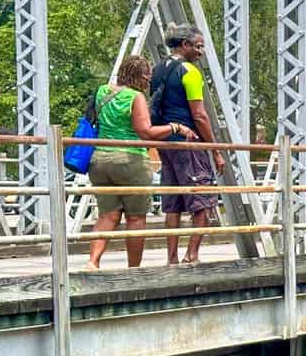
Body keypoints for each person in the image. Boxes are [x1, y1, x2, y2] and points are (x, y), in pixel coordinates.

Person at [87, 56, 198, 270]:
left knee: (107, 215)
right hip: (130, 160)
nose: (148, 82)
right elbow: (146, 132)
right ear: (139, 77)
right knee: (136, 218)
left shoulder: (102, 91)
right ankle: (134, 269)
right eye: (146, 78)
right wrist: (175, 127)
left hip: (99, 160)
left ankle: (93, 261)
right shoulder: (135, 97)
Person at [150, 24, 224, 264]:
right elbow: (200, 115)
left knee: (173, 204)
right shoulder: (190, 71)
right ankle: (192, 255)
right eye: (199, 46)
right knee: (202, 199)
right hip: (188, 142)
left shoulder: (157, 69)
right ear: (185, 45)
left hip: (165, 143)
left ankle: (171, 258)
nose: (201, 52)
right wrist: (215, 151)